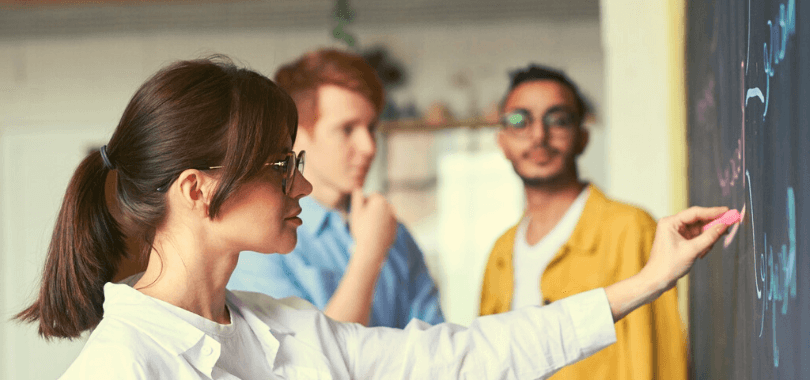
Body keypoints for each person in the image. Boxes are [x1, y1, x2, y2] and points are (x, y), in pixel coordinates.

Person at [16, 56, 730, 379]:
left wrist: (645, 282)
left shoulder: (285, 326)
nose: (301, 184)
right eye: (279, 165)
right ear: (198, 189)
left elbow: (460, 356)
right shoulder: (121, 368)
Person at [479, 64, 687, 379]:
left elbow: (661, 362)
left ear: (582, 138)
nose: (538, 135)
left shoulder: (630, 229)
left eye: (558, 120)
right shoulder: (500, 252)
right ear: (502, 142)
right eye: (520, 121)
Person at [227, 49, 444, 327]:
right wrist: (368, 254)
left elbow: (435, 347)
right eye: (347, 129)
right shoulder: (260, 240)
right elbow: (302, 362)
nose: (368, 147)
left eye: (371, 127)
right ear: (296, 134)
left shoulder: (395, 234)